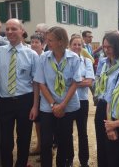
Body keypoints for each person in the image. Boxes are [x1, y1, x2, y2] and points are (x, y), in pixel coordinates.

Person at [33, 26, 81, 167]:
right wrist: (54, 105)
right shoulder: (44, 57)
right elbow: (41, 82)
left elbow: (74, 83)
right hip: (48, 107)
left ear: (61, 41)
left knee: (64, 141)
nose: (47, 43)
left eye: (50, 40)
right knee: (46, 141)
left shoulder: (74, 58)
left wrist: (63, 105)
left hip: (68, 106)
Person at [0, 18, 40, 167]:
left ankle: (21, 164)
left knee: (24, 138)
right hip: (4, 101)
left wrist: (35, 106)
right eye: (7, 29)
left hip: (25, 101)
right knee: (5, 141)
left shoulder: (32, 55)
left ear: (22, 31)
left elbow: (36, 82)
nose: (9, 32)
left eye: (13, 29)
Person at [94, 31, 119, 167]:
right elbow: (98, 79)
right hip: (102, 105)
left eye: (109, 47)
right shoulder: (103, 62)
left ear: (117, 46)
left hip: (115, 109)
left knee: (113, 146)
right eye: (104, 47)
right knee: (101, 144)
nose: (106, 50)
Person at [67, 34, 95, 167]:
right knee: (67, 132)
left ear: (82, 47)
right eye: (74, 44)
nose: (77, 47)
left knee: (83, 132)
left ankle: (84, 161)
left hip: (82, 100)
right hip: (68, 100)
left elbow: (89, 82)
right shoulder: (65, 61)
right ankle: (69, 159)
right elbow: (62, 82)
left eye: (79, 45)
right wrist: (81, 80)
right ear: (69, 46)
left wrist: (72, 82)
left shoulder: (87, 61)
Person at [29, 33, 45, 160]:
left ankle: (47, 149)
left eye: (36, 42)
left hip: (44, 95)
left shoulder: (44, 57)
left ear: (42, 44)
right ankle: (40, 145)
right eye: (32, 42)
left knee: (44, 124)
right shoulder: (29, 56)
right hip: (33, 94)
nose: (33, 44)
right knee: (37, 123)